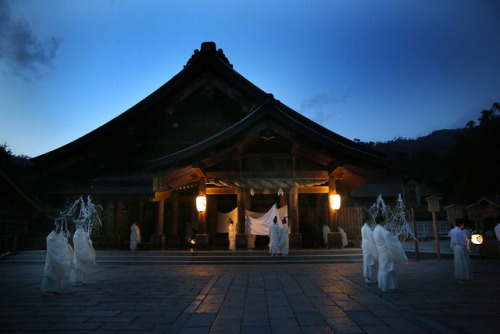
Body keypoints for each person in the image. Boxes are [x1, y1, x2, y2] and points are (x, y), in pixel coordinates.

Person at [372, 213, 408, 292]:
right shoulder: (382, 230)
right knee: (388, 269)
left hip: (381, 251)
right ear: (382, 221)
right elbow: (390, 240)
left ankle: (383, 285)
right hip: (386, 251)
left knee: (383, 268)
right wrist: (396, 236)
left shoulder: (376, 230)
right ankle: (387, 286)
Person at [41, 230, 74, 295]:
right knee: (51, 273)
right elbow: (53, 247)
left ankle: (55, 289)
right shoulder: (52, 236)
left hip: (59, 256)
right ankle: (48, 290)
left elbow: (63, 243)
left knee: (58, 273)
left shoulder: (58, 236)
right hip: (53, 257)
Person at [450, 218, 472, 284]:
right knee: (463, 263)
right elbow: (464, 241)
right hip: (461, 248)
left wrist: (453, 248)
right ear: (461, 224)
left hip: (456, 247)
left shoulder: (452, 231)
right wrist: (468, 243)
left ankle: (459, 277)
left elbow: (452, 242)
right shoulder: (460, 232)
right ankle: (464, 277)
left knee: (458, 263)